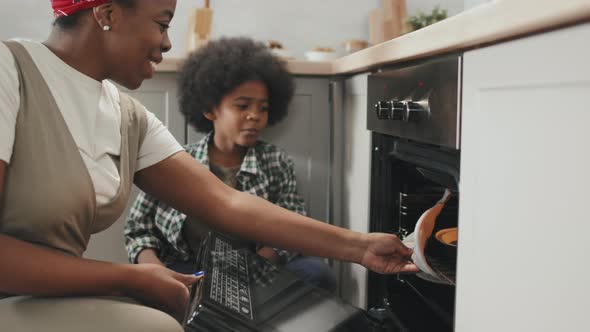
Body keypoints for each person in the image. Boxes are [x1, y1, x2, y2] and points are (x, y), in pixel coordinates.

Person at [0, 1, 418, 331]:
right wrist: (130, 277)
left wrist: (361, 247)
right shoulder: (8, 70)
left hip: (47, 297)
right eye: (162, 23)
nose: (167, 44)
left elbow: (226, 203)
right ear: (107, 13)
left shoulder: (128, 116)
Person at [124, 37, 336, 292]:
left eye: (263, 108)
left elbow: (292, 226)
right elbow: (138, 227)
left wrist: (249, 273)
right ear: (210, 110)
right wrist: (155, 271)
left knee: (316, 272)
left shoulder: (275, 162)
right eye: (242, 105)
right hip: (188, 269)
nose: (254, 116)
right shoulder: (178, 161)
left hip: (254, 270)